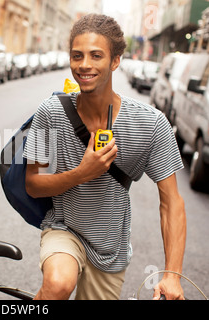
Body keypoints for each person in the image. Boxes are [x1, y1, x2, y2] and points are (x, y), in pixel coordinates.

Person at [23, 13, 186, 300]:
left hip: (110, 248)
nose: (84, 65)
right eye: (77, 56)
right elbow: (33, 184)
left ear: (115, 61)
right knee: (59, 283)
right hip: (63, 228)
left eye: (96, 55)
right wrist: (82, 173)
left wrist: (172, 275)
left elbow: (171, 201)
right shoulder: (51, 111)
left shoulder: (151, 124)